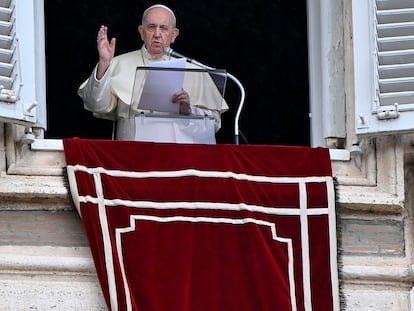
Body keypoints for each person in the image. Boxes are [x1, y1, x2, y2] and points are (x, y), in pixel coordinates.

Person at [78, 4, 228, 143]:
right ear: (141, 32)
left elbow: (214, 124)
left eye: (163, 28)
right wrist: (104, 62)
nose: (157, 34)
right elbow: (95, 105)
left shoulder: (195, 70)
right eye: (151, 27)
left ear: (174, 34)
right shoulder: (118, 63)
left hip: (181, 161)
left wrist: (188, 110)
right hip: (133, 160)